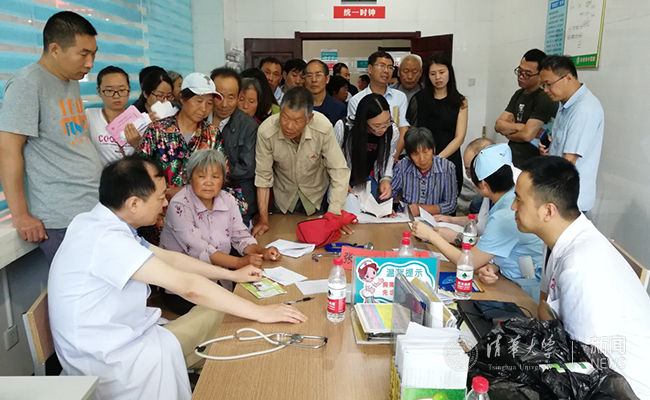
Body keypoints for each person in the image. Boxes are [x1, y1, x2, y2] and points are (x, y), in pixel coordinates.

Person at [49, 155, 307, 400]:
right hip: (115, 361)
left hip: (119, 340)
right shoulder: (107, 240)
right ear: (134, 204)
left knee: (224, 315)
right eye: (160, 197)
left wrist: (233, 275)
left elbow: (171, 259)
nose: (165, 204)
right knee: (233, 319)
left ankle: (228, 379)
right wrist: (261, 312)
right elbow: (189, 287)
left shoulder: (96, 222)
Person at [512, 156, 650, 399]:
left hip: (623, 390)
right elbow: (545, 312)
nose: (513, 207)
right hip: (592, 374)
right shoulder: (560, 240)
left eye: (519, 200)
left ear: (548, 210)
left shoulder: (580, 264)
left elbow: (583, 369)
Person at [0, 11, 102, 263]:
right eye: (83, 54)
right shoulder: (27, 84)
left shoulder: (70, 79)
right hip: (62, 216)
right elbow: (7, 151)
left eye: (93, 54)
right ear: (55, 49)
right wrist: (20, 215)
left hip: (91, 205)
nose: (90, 63)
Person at [412, 144, 543, 302]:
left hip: (525, 293)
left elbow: (467, 262)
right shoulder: (506, 199)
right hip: (509, 277)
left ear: (484, 185)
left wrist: (431, 235)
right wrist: (495, 266)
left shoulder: (505, 215)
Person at [160, 149, 280, 313]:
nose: (208, 182)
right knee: (228, 313)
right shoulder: (179, 205)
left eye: (215, 177)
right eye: (201, 176)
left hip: (221, 280)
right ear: (189, 178)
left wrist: (261, 252)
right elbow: (200, 250)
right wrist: (239, 263)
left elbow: (239, 235)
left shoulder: (227, 199)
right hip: (185, 287)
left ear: (223, 179)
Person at [135, 72, 228, 245]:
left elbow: (222, 175)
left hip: (199, 218)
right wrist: (163, 191)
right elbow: (138, 172)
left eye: (209, 103)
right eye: (198, 101)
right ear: (183, 99)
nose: (204, 108)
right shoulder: (157, 131)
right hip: (160, 216)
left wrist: (186, 190)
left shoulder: (212, 134)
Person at [252, 87, 351, 237]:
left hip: (315, 197)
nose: (289, 126)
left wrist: (335, 215)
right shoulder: (266, 131)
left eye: (297, 121)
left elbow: (338, 170)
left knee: (317, 240)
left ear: (309, 118)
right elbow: (263, 176)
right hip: (284, 199)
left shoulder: (323, 128)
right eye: (285, 118)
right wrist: (263, 218)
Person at [538, 55, 604, 213]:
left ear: (568, 78)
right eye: (543, 85)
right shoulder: (565, 103)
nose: (545, 90)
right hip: (558, 193)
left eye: (548, 84)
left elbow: (568, 162)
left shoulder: (584, 110)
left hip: (568, 200)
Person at [407, 53, 467, 196]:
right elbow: (413, 134)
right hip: (422, 161)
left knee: (448, 202)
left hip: (449, 160)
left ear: (449, 72)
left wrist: (437, 159)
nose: (438, 77)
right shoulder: (418, 99)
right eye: (433, 74)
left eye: (441, 72)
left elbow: (459, 137)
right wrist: (425, 159)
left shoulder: (460, 101)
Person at [209, 67, 259, 224]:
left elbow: (247, 168)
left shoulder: (249, 126)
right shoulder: (199, 119)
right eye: (219, 96)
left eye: (231, 97)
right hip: (201, 200)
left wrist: (210, 177)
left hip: (237, 201)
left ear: (238, 97)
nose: (224, 104)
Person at [495, 49, 559, 167]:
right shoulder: (519, 94)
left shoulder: (545, 98)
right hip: (512, 158)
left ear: (541, 75)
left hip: (534, 163)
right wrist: (521, 127)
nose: (521, 76)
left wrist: (508, 133)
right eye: (520, 71)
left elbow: (527, 135)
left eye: (527, 74)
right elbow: (499, 125)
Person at [334, 94, 398, 199]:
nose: (383, 129)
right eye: (377, 126)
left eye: (387, 122)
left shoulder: (392, 131)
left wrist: (386, 178)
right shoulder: (344, 127)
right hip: (343, 176)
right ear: (364, 121)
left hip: (369, 178)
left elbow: (389, 156)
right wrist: (341, 181)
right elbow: (333, 158)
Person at [348, 51, 410, 160]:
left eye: (390, 67)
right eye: (381, 66)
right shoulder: (356, 100)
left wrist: (393, 156)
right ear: (370, 69)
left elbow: (403, 128)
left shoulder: (400, 97)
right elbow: (355, 133)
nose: (386, 71)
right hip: (367, 155)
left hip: (396, 155)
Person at [391, 127, 457, 216]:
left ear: (433, 150)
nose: (422, 159)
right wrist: (387, 208)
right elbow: (390, 193)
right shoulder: (402, 165)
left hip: (435, 219)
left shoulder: (447, 167)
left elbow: (450, 205)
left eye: (425, 152)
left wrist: (420, 209)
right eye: (415, 154)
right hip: (406, 216)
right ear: (409, 155)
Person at [86, 66, 140, 165]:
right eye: (109, 91)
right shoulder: (90, 116)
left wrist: (137, 144)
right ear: (99, 91)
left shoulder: (140, 120)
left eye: (122, 90)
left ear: (129, 90)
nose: (116, 96)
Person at [305, 59, 346, 126]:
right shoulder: (297, 105)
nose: (313, 80)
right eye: (309, 75)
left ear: (327, 79)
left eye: (318, 75)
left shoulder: (339, 108)